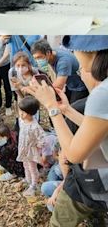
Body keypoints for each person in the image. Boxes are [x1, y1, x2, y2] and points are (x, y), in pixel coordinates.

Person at [26, 35, 108, 226]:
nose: (73, 54)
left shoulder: (102, 93)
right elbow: (99, 128)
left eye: (75, 49)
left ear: (91, 51)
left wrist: (51, 107)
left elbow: (73, 154)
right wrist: (67, 110)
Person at [31, 38, 89, 103]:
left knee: (72, 108)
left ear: (48, 53)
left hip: (80, 87)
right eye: (35, 58)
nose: (38, 61)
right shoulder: (53, 53)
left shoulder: (63, 61)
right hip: (70, 85)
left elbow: (58, 86)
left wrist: (41, 93)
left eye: (39, 57)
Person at [16, 95, 46, 197]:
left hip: (31, 150)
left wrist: (38, 147)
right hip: (23, 148)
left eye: (23, 113)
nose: (21, 114)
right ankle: (27, 179)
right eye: (20, 111)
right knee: (25, 165)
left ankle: (34, 184)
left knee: (32, 167)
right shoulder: (22, 121)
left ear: (31, 113)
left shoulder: (34, 126)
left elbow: (42, 138)